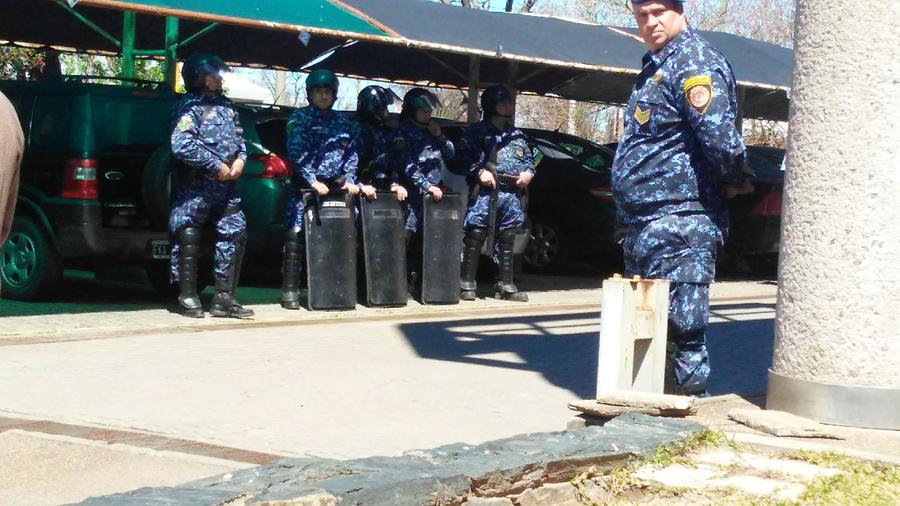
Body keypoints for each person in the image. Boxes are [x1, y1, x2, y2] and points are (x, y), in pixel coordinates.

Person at [612, 0, 750, 396]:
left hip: (682, 220)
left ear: (679, 10)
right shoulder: (655, 68)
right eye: (642, 15)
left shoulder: (694, 63)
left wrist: (734, 179)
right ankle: (650, 418)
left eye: (658, 12)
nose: (650, 22)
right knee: (647, 334)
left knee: (683, 333)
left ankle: (689, 418)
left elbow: (720, 139)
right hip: (645, 223)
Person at [169, 53, 253, 319]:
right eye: (212, 75)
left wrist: (241, 160)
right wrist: (214, 165)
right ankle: (188, 296)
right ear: (197, 78)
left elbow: (241, 142)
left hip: (227, 187)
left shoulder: (228, 107)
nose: (218, 79)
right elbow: (181, 144)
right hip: (196, 188)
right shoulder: (188, 107)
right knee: (189, 237)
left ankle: (224, 299)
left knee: (235, 234)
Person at [281, 69, 359, 310]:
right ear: (310, 94)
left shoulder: (343, 122)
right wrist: (312, 180)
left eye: (327, 92)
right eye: (319, 92)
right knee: (296, 236)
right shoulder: (300, 118)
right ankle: (290, 292)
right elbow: (296, 152)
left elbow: (352, 153)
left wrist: (350, 179)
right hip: (306, 189)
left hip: (336, 190)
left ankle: (334, 289)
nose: (323, 96)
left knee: (340, 238)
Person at [458, 85, 534, 302]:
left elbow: (529, 161)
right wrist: (479, 171)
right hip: (485, 192)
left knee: (508, 237)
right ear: (492, 105)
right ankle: (466, 283)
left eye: (510, 102)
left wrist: (528, 174)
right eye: (504, 102)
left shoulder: (517, 135)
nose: (509, 106)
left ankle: (505, 284)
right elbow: (462, 159)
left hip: (511, 194)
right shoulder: (476, 132)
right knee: (476, 234)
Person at [392, 88, 456, 294]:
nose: (428, 115)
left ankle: (420, 285)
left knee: (426, 241)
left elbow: (451, 153)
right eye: (423, 112)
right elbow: (406, 165)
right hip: (412, 195)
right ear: (412, 110)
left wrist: (439, 136)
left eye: (429, 111)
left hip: (432, 197)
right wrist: (427, 186)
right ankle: (401, 285)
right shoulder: (403, 133)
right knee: (406, 240)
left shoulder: (432, 131)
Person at [354, 85, 407, 202]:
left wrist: (394, 184)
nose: (387, 112)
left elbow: (390, 161)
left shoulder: (383, 131)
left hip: (382, 192)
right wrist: (361, 185)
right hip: (360, 194)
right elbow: (351, 165)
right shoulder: (357, 131)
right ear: (375, 109)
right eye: (385, 108)